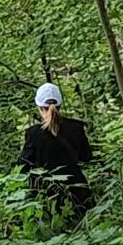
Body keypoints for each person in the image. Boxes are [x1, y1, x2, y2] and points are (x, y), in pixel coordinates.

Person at [17, 83, 95, 225]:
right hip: (79, 193)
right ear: (60, 105)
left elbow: (23, 165)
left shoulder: (33, 133)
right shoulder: (76, 127)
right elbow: (87, 157)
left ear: (39, 107)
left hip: (47, 198)